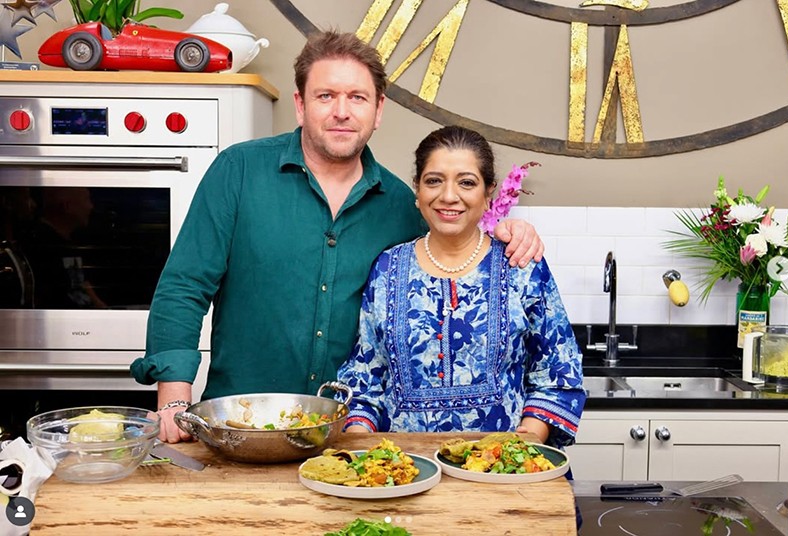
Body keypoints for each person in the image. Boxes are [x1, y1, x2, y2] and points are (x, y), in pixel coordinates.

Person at [131, 31, 544, 443]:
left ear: (378, 110)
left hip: (350, 437)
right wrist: (173, 398)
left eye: (357, 97)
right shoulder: (238, 172)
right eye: (326, 96)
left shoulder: (403, 206)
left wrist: (504, 232)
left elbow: (452, 253)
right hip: (241, 429)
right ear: (300, 105)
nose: (342, 112)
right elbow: (185, 285)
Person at [337, 126, 585, 450]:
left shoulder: (521, 265)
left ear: (488, 193)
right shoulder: (387, 269)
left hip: (502, 468)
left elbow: (558, 371)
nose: (449, 196)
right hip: (406, 468)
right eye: (434, 181)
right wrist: (361, 447)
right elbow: (365, 377)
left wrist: (523, 444)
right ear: (417, 190)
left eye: (466, 182)